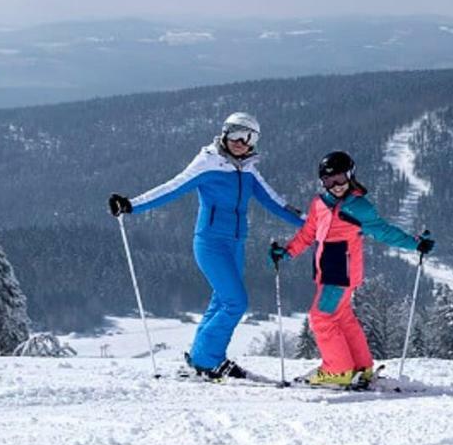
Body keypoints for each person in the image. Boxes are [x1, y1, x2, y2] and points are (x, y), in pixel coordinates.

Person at [108, 112, 303, 380]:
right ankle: (207, 359)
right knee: (236, 302)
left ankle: (205, 357)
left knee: (221, 300)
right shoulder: (208, 163)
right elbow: (171, 188)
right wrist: (132, 205)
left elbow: (275, 201)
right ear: (224, 132)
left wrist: (312, 223)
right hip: (210, 243)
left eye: (249, 137)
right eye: (236, 132)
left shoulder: (247, 170)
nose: (241, 141)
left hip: (236, 243)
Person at [270, 150, 434, 387]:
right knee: (342, 317)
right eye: (328, 180)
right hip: (326, 272)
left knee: (322, 318)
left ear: (351, 176)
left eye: (340, 179)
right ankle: (361, 366)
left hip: (341, 273)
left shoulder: (359, 208)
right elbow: (308, 233)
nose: (335, 185)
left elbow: (384, 231)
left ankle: (337, 371)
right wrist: (287, 252)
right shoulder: (319, 203)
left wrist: (415, 243)